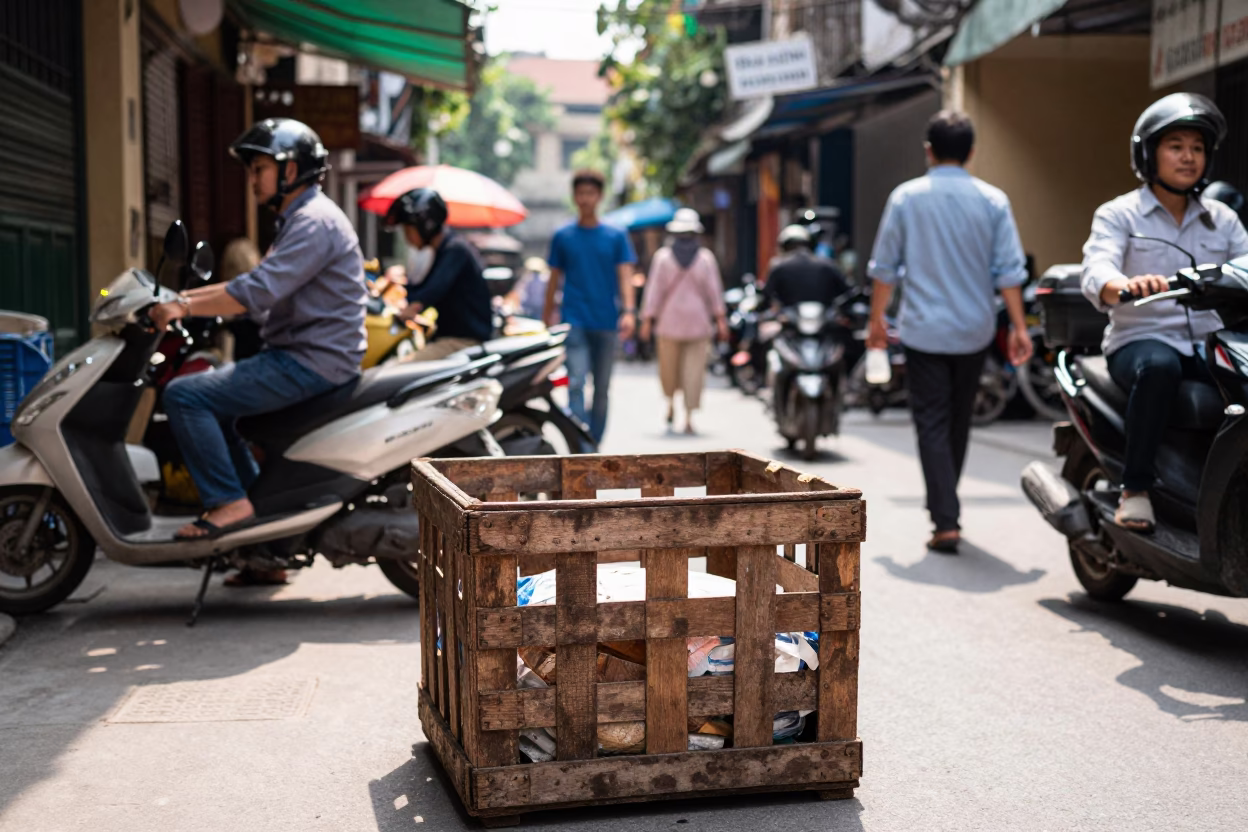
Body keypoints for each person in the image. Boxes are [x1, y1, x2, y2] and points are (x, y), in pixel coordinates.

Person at [149, 118, 367, 554]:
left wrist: (184, 305)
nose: (252, 180)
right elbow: (257, 283)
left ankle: (228, 503)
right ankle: (267, 539)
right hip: (307, 356)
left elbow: (256, 291)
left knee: (185, 396)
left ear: (290, 170)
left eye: (259, 169)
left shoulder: (313, 223)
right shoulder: (299, 220)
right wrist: (180, 298)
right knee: (216, 405)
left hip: (308, 362)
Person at [867, 109, 1033, 554]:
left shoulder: (906, 198)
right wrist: (1018, 327)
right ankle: (946, 511)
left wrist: (876, 322)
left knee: (932, 424)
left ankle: (945, 517)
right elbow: (1009, 272)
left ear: (928, 151)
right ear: (972, 153)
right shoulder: (993, 201)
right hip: (974, 330)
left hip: (924, 330)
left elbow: (884, 269)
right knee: (958, 421)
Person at [1081, 93, 1248, 531]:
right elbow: (1097, 269)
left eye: (1197, 148)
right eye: (1176, 146)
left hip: (1209, 344)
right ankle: (1135, 490)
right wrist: (1125, 285)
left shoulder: (1223, 219)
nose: (1188, 157)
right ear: (1148, 153)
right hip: (1140, 341)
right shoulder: (1120, 214)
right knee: (1158, 367)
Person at [544, 169, 638, 442]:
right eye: (580, 193)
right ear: (574, 197)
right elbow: (553, 279)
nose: (585, 199)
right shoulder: (563, 235)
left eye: (590, 193)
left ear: (599, 196)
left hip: (606, 321)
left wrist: (630, 312)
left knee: (602, 389)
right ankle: (580, 444)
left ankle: (594, 441)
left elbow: (625, 275)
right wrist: (546, 315)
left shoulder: (616, 235)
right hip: (574, 320)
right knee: (575, 383)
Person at [639, 208, 729, 434]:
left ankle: (673, 406)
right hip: (697, 324)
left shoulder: (664, 257)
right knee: (693, 372)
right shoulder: (705, 258)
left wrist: (648, 320)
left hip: (669, 324)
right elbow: (715, 293)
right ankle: (686, 416)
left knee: (670, 370)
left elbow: (653, 293)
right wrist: (720, 320)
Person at [385, 188, 493, 360]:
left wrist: (413, 307)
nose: (407, 237)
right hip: (449, 339)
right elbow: (422, 288)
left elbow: (433, 290)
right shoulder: (445, 250)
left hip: (462, 342)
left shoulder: (455, 249)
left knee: (394, 373)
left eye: (408, 229)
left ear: (425, 225)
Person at [763, 224, 850, 310]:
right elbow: (848, 290)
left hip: (823, 318)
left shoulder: (779, 266)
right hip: (790, 318)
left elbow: (766, 296)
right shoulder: (828, 265)